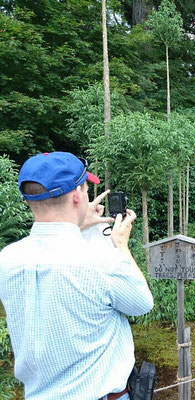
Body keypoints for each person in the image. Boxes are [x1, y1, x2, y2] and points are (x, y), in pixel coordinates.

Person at [0, 152, 154, 400]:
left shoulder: (7, 259)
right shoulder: (101, 260)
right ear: (76, 196)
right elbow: (141, 304)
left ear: (28, 200)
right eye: (85, 189)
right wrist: (120, 246)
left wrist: (78, 223)